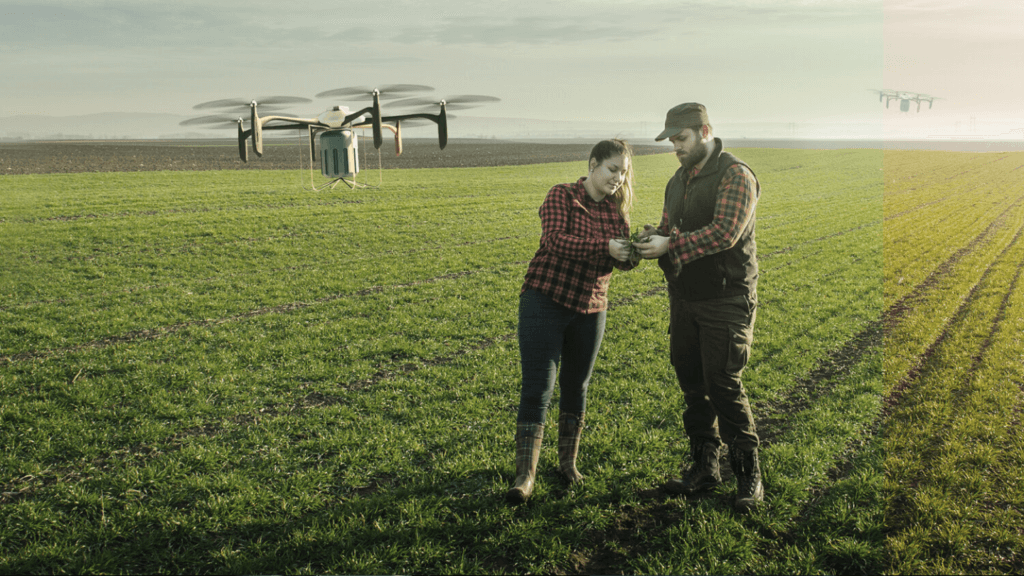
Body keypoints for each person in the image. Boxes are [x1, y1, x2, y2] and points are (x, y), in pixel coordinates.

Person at [633, 103, 764, 512]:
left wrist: (671, 244)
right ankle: (705, 469)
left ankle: (748, 477)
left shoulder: (735, 175)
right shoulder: (677, 180)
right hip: (685, 298)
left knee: (723, 385)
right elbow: (674, 228)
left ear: (705, 131)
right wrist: (654, 236)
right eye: (672, 140)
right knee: (692, 386)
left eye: (681, 138)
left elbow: (725, 233)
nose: (675, 146)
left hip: (726, 298)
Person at [507, 139, 637, 504]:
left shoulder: (616, 212)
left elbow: (621, 261)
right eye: (613, 169)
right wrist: (605, 247)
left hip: (591, 308)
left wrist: (633, 251)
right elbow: (555, 241)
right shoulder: (562, 195)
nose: (618, 178)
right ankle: (524, 475)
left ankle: (568, 464)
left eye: (623, 172)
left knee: (576, 386)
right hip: (544, 300)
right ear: (593, 163)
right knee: (538, 387)